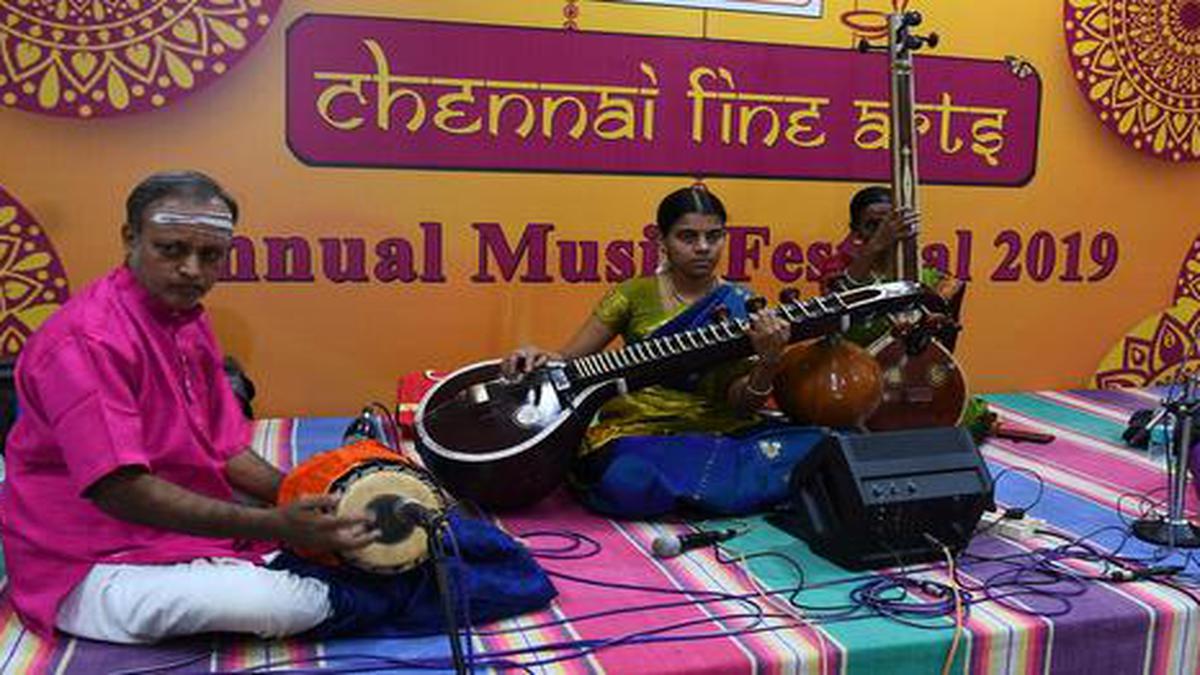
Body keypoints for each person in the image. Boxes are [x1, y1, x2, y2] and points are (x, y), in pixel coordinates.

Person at [0, 171, 380, 644]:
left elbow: (227, 451)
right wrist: (272, 523)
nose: (193, 270)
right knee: (280, 603)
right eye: (172, 249)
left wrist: (306, 497)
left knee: (390, 544)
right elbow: (120, 491)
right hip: (87, 560)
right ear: (130, 238)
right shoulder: (88, 340)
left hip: (178, 534)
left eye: (211, 255)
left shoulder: (185, 320)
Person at [502, 186, 824, 518]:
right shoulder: (633, 295)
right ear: (663, 242)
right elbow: (569, 359)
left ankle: (696, 493)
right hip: (643, 431)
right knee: (626, 479)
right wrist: (537, 355)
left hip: (718, 429)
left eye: (714, 237)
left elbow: (742, 403)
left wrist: (769, 362)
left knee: (825, 445)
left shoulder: (743, 305)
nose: (703, 248)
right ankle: (725, 494)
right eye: (687, 237)